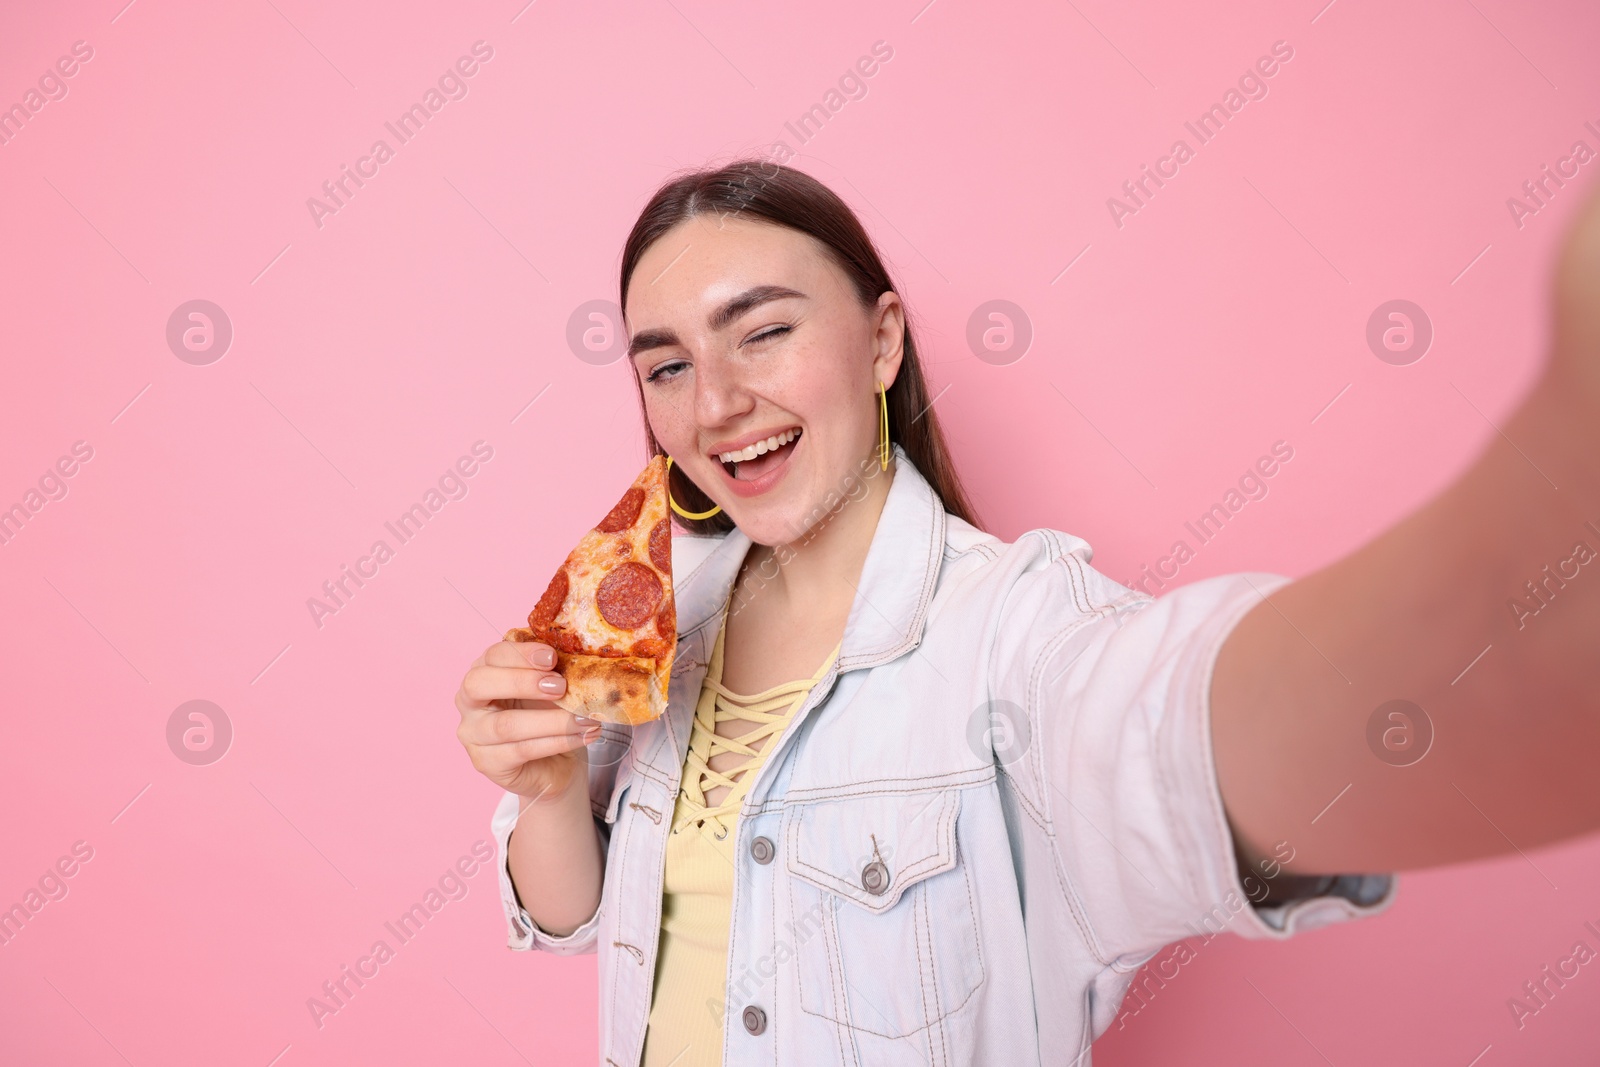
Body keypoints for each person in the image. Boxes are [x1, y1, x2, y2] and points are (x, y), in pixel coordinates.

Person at [454, 160, 1600, 1066]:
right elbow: (582, 921)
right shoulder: (659, 623)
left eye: (763, 331)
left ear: (883, 341)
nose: (714, 404)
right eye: (665, 367)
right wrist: (550, 785)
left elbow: (1165, 734)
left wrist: (1493, 607)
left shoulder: (1014, 626)